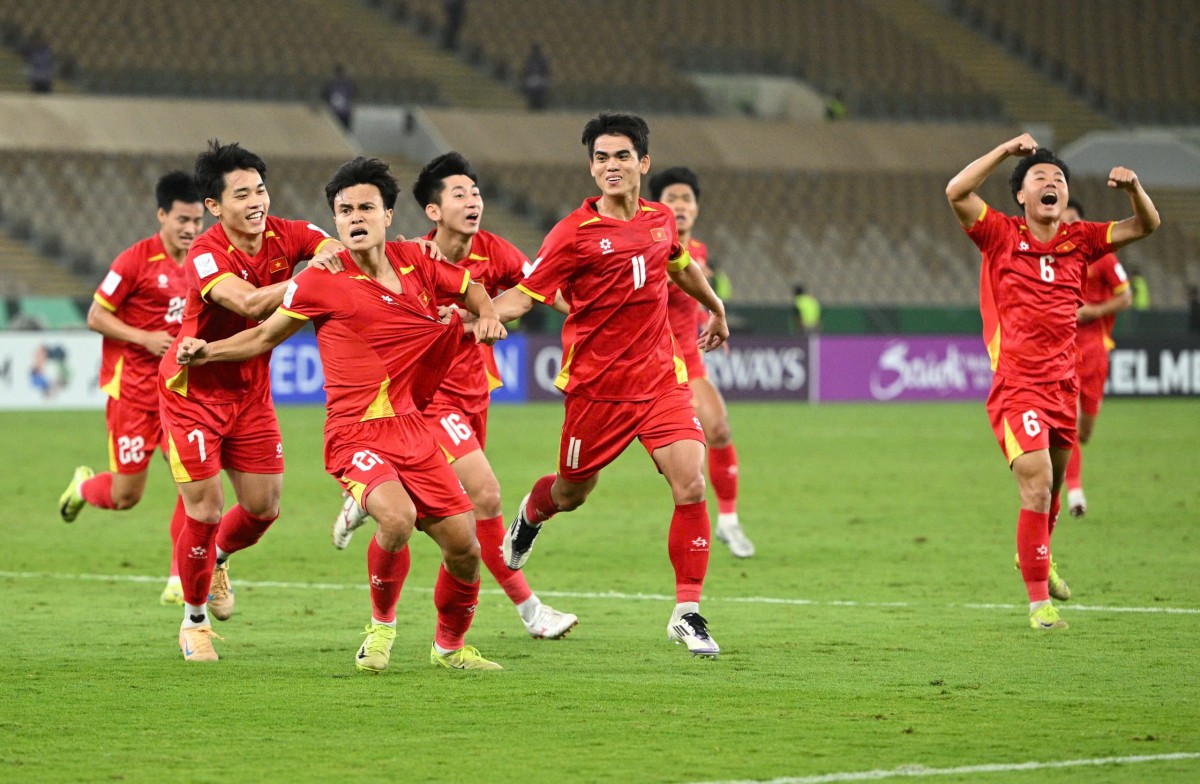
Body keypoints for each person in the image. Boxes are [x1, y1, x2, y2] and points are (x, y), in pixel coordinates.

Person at [176, 156, 505, 672]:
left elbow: (471, 287)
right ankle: (380, 629)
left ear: (388, 215)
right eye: (344, 209)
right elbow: (260, 333)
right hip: (355, 435)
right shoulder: (319, 283)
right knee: (397, 519)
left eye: (365, 207)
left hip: (413, 427)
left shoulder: (417, 261)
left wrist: (485, 316)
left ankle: (450, 647)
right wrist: (206, 352)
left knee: (465, 547)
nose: (354, 217)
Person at [489, 113, 730, 658]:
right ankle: (531, 513)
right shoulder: (572, 234)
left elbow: (680, 265)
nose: (611, 166)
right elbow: (526, 294)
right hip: (596, 391)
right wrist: (486, 319)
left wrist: (714, 307)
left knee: (690, 482)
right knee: (573, 492)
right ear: (591, 167)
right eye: (601, 157)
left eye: (622, 156)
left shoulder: (661, 219)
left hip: (660, 381)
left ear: (642, 163)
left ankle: (686, 612)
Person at [331, 151, 579, 639]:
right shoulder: (411, 257)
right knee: (486, 495)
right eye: (460, 194)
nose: (473, 202)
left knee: (462, 516)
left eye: (477, 193)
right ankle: (530, 609)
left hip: (473, 394)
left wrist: (593, 308)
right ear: (433, 211)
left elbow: (538, 291)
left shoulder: (496, 250)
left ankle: (372, 492)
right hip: (428, 399)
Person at [947, 134, 1159, 631]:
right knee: (1038, 485)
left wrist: (1134, 189)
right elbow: (957, 191)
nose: (1051, 183)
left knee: (1054, 489)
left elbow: (1147, 224)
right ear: (1021, 194)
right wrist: (1002, 152)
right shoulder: (999, 234)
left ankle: (1035, 556)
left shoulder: (1082, 240)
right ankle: (1038, 604)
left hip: (1065, 386)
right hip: (1018, 385)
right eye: (1039, 177)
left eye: (1059, 179)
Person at [157, 139, 358, 661]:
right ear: (214, 206)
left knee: (263, 508)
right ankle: (194, 622)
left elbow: (334, 249)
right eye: (241, 193)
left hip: (250, 393)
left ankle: (217, 560)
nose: (256, 201)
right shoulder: (205, 254)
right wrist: (310, 278)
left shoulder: (287, 234)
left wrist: (329, 259)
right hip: (194, 391)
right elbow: (246, 302)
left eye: (261, 189)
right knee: (204, 509)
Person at [58, 172, 205, 606]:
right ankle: (83, 487)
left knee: (191, 481)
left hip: (179, 393)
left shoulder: (203, 259)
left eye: (197, 220)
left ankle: (180, 577)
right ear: (162, 215)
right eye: (182, 219)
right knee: (126, 496)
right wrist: (143, 338)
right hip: (134, 395)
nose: (191, 229)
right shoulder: (134, 261)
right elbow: (95, 315)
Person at [649, 166, 754, 558]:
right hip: (646, 363)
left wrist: (708, 321)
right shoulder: (648, 247)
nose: (679, 205)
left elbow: (691, 299)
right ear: (656, 204)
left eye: (686, 199)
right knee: (581, 478)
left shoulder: (699, 252)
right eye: (671, 198)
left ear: (696, 208)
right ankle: (535, 517)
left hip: (687, 361)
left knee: (720, 428)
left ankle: (728, 522)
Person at [1060, 198, 1133, 518]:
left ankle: (1073, 476)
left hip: (1095, 352)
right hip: (1062, 351)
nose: (1068, 226)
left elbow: (1126, 297)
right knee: (1067, 422)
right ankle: (1075, 493)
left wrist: (1094, 312)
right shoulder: (1051, 258)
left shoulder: (1102, 258)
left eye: (1073, 220)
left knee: (1084, 431)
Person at [322, 64, 356, 130]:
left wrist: (350, 107)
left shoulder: (348, 85)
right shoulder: (331, 85)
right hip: (334, 113)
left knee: (345, 131)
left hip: (344, 113)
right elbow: (325, 96)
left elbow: (352, 97)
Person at [521, 43, 551, 111]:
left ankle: (540, 105)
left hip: (540, 77)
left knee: (540, 88)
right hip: (532, 77)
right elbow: (525, 70)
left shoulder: (541, 59)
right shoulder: (530, 59)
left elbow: (546, 71)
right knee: (532, 87)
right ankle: (533, 105)